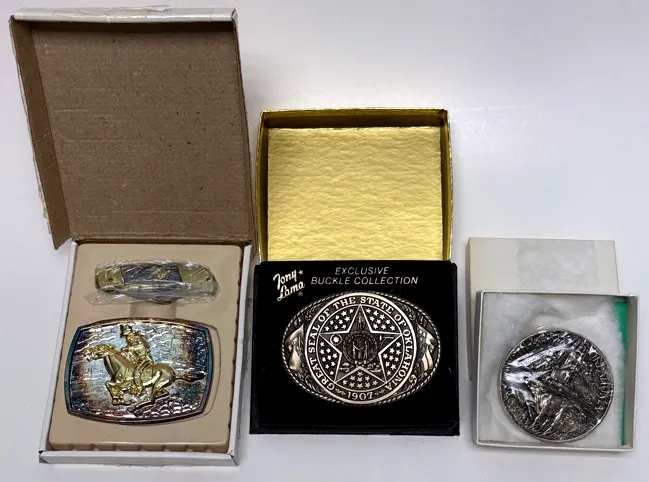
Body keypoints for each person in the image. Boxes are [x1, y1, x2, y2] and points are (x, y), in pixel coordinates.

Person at [119, 324, 153, 396]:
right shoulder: (129, 345)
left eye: (129, 336)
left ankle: (140, 389)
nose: (128, 338)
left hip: (144, 360)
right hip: (135, 361)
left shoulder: (140, 342)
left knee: (136, 373)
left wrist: (129, 349)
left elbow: (143, 347)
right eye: (126, 337)